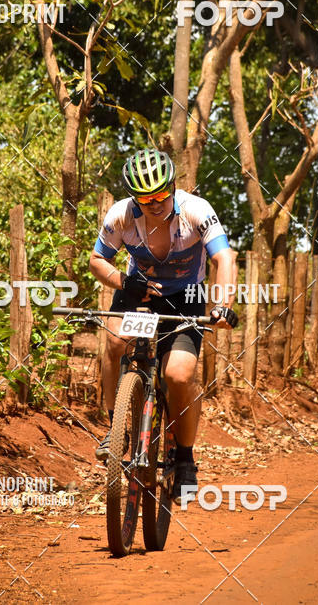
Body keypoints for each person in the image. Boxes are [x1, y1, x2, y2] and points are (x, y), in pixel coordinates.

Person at [89, 147, 238, 503]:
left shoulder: (196, 211)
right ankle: (115, 428)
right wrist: (124, 283)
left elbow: (223, 257)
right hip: (140, 293)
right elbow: (97, 260)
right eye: (145, 199)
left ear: (172, 188)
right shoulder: (121, 216)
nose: (154, 204)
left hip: (186, 296)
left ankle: (185, 457)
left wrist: (222, 306)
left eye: (161, 196)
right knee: (114, 343)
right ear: (133, 197)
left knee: (179, 375)